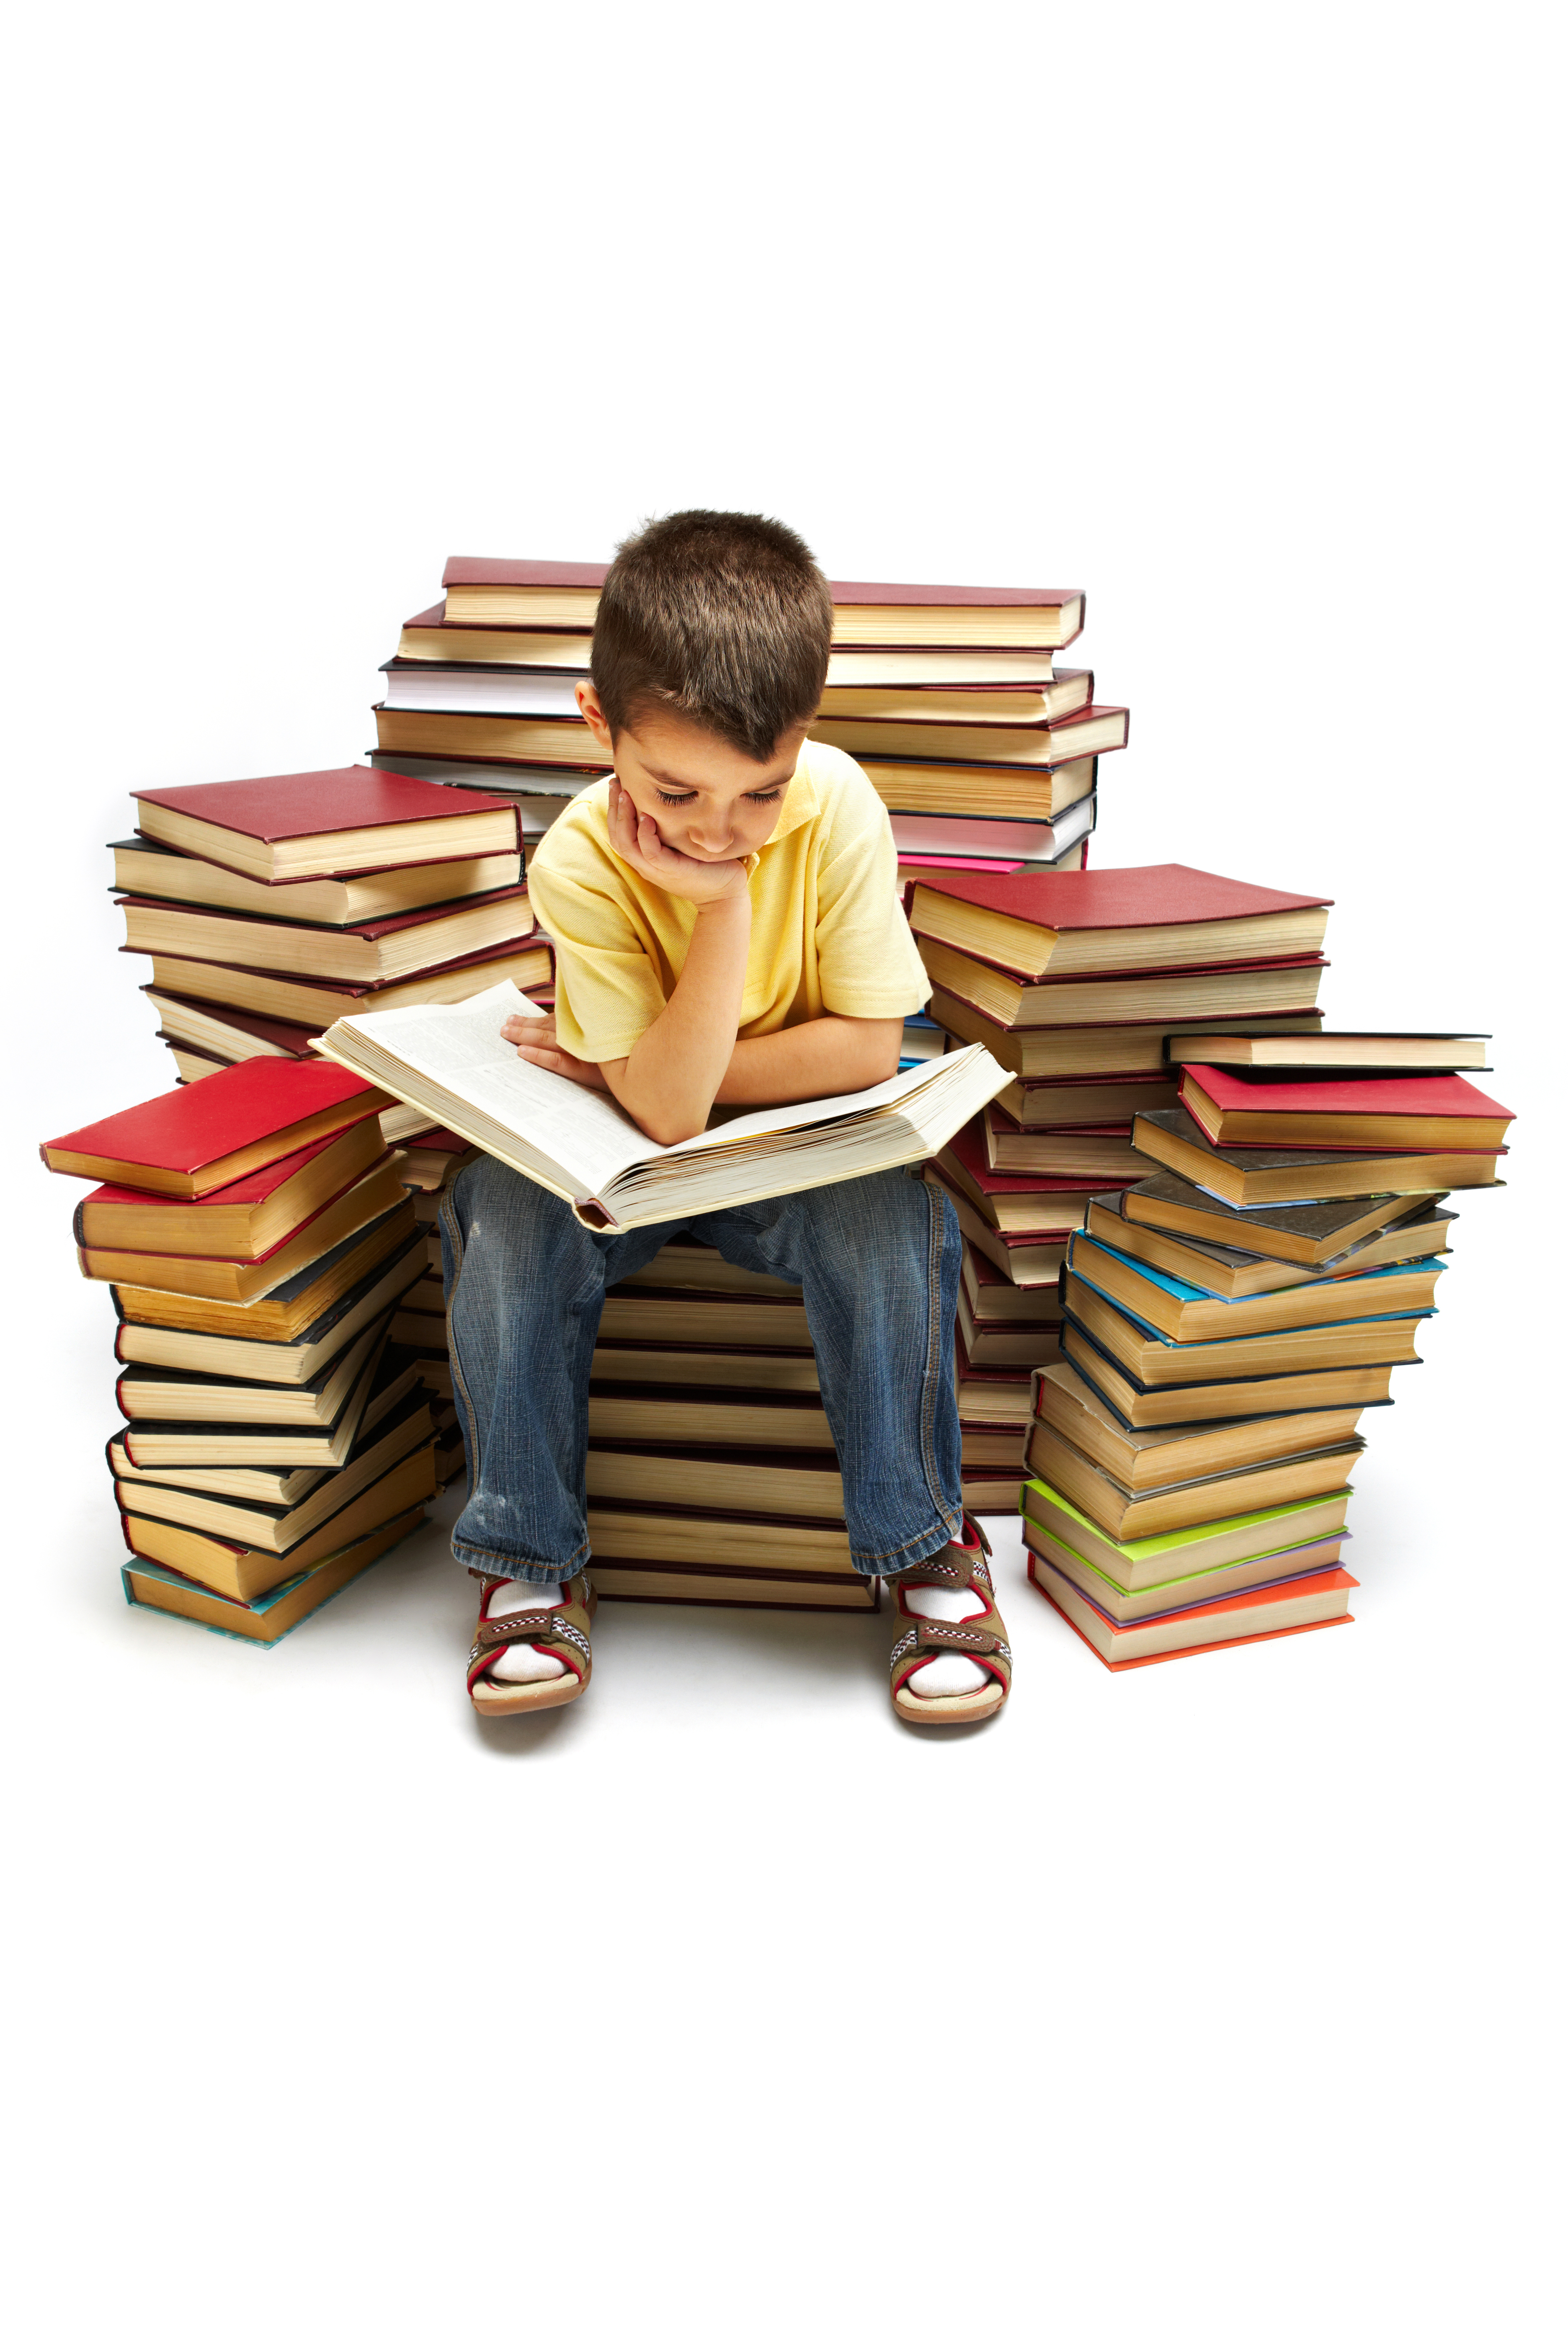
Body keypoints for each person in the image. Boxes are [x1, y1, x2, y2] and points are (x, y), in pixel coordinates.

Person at [440, 511, 1012, 1728]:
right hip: (625, 1176)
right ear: (599, 727)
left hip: (791, 1164)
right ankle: (528, 1556)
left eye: (763, 790)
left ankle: (921, 1547)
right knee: (498, 1208)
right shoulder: (581, 862)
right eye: (677, 790)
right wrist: (646, 1072)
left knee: (886, 1219)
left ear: (805, 741)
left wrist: (648, 1042)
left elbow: (862, 1049)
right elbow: (660, 1111)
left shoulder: (839, 803)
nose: (716, 829)